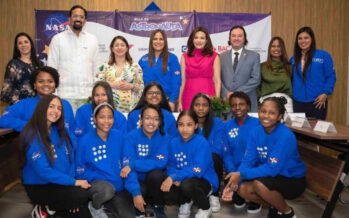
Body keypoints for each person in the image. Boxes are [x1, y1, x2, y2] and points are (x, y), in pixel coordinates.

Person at [222, 97, 306, 218]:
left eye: (272, 113)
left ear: (279, 116)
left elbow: (272, 169)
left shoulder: (285, 135)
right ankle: (277, 207)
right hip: (272, 176)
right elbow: (248, 161)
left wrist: (242, 175)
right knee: (241, 189)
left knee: (259, 185)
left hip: (292, 179)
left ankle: (288, 213)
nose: (266, 116)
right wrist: (235, 181)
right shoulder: (256, 132)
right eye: (263, 111)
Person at [21, 94, 92, 217]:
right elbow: (43, 171)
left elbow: (71, 159)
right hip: (38, 185)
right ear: (42, 108)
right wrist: (74, 184)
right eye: (52, 107)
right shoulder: (31, 133)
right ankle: (44, 206)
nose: (56, 111)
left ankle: (49, 209)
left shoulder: (59, 131)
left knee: (81, 208)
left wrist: (71, 187)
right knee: (81, 195)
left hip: (57, 183)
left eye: (59, 108)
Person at [76, 103, 136, 218]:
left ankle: (108, 207)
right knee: (107, 190)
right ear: (94, 119)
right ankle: (95, 206)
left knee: (128, 216)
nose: (106, 121)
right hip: (98, 186)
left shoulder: (119, 136)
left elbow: (127, 160)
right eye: (102, 117)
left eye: (110, 117)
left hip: (118, 187)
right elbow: (80, 171)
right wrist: (104, 177)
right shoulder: (85, 141)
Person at [161, 110, 218, 218]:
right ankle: (186, 201)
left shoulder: (201, 142)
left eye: (189, 125)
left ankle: (206, 207)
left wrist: (175, 176)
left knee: (187, 185)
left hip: (204, 181)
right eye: (181, 125)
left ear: (196, 126)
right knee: (167, 190)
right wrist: (173, 176)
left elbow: (198, 170)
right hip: (182, 180)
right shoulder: (173, 143)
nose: (185, 129)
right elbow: (170, 165)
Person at [47, 5, 101, 111]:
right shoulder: (58, 39)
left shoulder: (92, 40)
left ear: (85, 20)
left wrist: (96, 93)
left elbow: (97, 68)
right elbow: (51, 68)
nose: (78, 19)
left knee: (87, 127)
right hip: (65, 96)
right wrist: (54, 94)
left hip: (88, 96)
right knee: (65, 127)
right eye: (75, 16)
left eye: (81, 17)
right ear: (69, 19)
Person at [122, 104, 170, 218]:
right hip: (137, 180)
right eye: (147, 118)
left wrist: (134, 164)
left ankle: (158, 206)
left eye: (155, 119)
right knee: (137, 186)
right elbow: (127, 169)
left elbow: (160, 162)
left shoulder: (164, 137)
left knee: (156, 175)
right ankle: (140, 208)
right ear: (141, 119)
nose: (151, 122)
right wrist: (135, 192)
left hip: (155, 181)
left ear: (160, 122)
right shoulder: (131, 137)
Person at [0, 66, 74, 132]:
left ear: (55, 84)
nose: (46, 84)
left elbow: (72, 131)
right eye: (41, 81)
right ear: (34, 85)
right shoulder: (24, 104)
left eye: (50, 81)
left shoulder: (65, 104)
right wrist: (33, 126)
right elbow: (3, 120)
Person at [222, 92, 261, 213]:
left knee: (255, 183)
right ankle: (239, 193)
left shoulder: (259, 124)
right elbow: (226, 153)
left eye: (241, 104)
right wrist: (232, 172)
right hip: (234, 169)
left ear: (248, 106)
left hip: (253, 169)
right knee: (237, 201)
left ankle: (256, 199)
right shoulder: (226, 126)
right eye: (234, 105)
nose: (237, 108)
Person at [290, 26, 336, 120]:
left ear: (312, 39)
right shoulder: (293, 59)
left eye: (306, 38)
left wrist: (325, 93)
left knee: (316, 132)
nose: (303, 41)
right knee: (300, 133)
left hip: (317, 102)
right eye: (300, 38)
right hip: (298, 102)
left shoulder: (323, 56)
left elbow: (331, 76)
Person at [190, 93, 224, 213]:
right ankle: (193, 196)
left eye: (204, 105)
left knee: (215, 158)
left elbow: (219, 147)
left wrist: (202, 155)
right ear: (192, 107)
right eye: (197, 105)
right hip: (193, 161)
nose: (200, 108)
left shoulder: (217, 122)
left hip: (210, 160)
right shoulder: (188, 122)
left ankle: (214, 194)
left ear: (209, 107)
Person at [96, 35, 144, 113]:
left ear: (127, 48)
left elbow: (141, 87)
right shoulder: (104, 66)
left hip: (131, 109)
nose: (119, 47)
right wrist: (111, 85)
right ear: (112, 48)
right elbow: (97, 84)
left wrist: (131, 86)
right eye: (116, 45)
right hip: (109, 109)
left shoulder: (135, 67)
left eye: (122, 45)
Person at [178, 26, 221, 111]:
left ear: (206, 40)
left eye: (202, 38)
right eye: (196, 37)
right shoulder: (184, 56)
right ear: (192, 40)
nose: (199, 40)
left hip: (208, 95)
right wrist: (179, 101)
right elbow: (182, 81)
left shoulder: (214, 56)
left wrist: (217, 101)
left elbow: (217, 80)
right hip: (188, 96)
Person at [220, 25, 260, 112]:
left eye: (239, 36)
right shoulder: (221, 56)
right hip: (226, 102)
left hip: (247, 101)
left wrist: (236, 93)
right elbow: (218, 79)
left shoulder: (254, 56)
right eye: (233, 36)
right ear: (229, 38)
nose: (236, 38)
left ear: (244, 38)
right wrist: (226, 93)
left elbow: (256, 79)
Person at [138, 29, 181, 112]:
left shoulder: (172, 58)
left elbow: (177, 82)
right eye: (155, 39)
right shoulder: (143, 59)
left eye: (161, 39)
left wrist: (172, 101)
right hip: (147, 102)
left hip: (167, 101)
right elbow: (138, 82)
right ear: (151, 41)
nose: (158, 41)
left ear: (165, 41)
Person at [1, 32, 42, 105]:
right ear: (17, 47)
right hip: (19, 107)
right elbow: (5, 92)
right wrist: (20, 104)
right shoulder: (13, 64)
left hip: (37, 107)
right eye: (20, 43)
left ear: (31, 44)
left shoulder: (39, 65)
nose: (23, 45)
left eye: (26, 42)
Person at [257, 37, 293, 112]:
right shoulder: (262, 67)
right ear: (270, 48)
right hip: (267, 103)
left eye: (279, 46)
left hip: (286, 104)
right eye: (273, 46)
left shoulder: (290, 67)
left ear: (282, 49)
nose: (276, 49)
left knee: (287, 124)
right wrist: (258, 105)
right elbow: (257, 89)